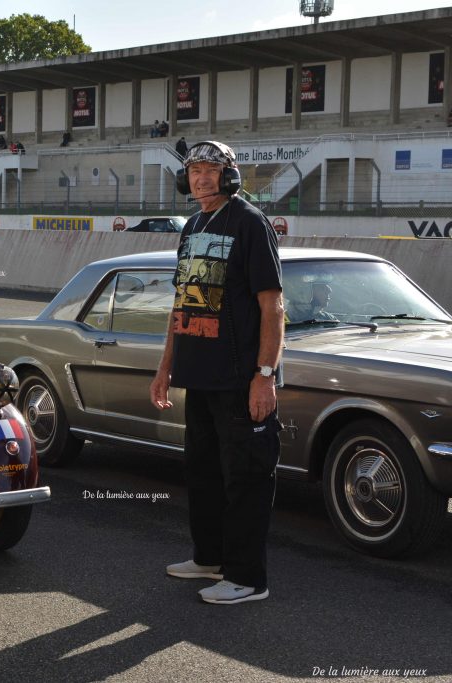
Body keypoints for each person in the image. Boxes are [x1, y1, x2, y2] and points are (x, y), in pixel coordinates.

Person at [150, 140, 284, 606]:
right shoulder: (192, 226)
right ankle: (209, 558)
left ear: (230, 175)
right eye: (194, 171)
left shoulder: (250, 222)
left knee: (245, 478)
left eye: (210, 170)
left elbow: (273, 305)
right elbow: (181, 302)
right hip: (199, 376)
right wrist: (165, 368)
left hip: (239, 379)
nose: (201, 178)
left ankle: (248, 578)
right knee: (203, 473)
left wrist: (264, 375)